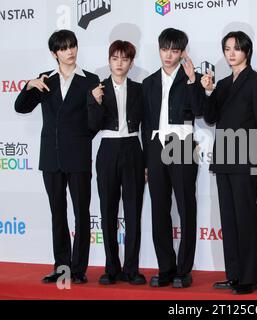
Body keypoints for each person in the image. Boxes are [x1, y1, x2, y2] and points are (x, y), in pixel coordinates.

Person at [14, 29, 100, 284]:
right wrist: (29, 85)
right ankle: (62, 266)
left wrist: (82, 136)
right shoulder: (45, 80)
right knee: (57, 213)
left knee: (81, 213)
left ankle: (78, 269)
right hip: (51, 156)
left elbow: (95, 121)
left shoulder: (91, 79)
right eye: (63, 48)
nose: (70, 52)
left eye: (72, 46)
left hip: (78, 155)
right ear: (54, 53)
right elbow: (21, 107)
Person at [201, 31, 257, 295]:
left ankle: (248, 278)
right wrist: (206, 91)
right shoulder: (222, 84)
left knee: (245, 219)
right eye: (227, 48)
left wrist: (248, 154)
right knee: (229, 220)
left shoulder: (256, 82)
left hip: (243, 161)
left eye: (236, 48)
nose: (231, 53)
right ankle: (233, 274)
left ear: (247, 51)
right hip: (222, 161)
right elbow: (209, 117)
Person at [142, 28, 205, 288]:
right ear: (159, 49)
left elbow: (202, 112)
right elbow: (145, 125)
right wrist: (147, 160)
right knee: (159, 209)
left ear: (183, 52)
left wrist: (193, 82)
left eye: (175, 50)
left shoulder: (194, 78)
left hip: (182, 144)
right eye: (165, 49)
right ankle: (165, 267)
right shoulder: (148, 83)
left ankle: (183, 269)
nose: (169, 55)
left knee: (186, 207)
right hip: (156, 146)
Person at [88, 40, 146, 285]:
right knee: (107, 210)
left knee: (133, 212)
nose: (119, 63)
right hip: (108, 149)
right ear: (109, 60)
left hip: (133, 148)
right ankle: (111, 267)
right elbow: (91, 127)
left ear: (131, 63)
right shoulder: (97, 89)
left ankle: (132, 269)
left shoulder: (140, 89)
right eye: (115, 58)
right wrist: (96, 102)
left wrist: (146, 162)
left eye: (124, 59)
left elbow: (149, 124)